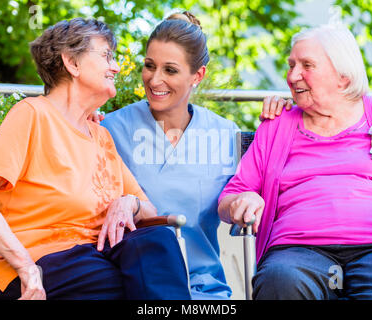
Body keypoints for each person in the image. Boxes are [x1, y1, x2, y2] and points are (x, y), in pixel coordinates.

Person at [0, 18, 191, 300]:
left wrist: (128, 202)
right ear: (72, 62)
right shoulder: (33, 115)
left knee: (158, 241)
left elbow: (149, 209)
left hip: (97, 258)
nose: (116, 67)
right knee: (125, 284)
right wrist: (26, 267)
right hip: (34, 269)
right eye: (107, 55)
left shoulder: (101, 136)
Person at [100, 11, 291, 299]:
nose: (154, 80)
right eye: (149, 66)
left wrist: (290, 113)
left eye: (170, 70)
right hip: (132, 284)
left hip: (203, 288)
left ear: (197, 75)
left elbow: (265, 191)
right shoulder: (111, 129)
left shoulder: (226, 135)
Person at [218, 24, 372, 300]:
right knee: (279, 283)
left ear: (343, 77)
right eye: (291, 65)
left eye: (306, 65)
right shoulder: (277, 126)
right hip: (296, 252)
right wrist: (243, 200)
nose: (292, 75)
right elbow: (229, 198)